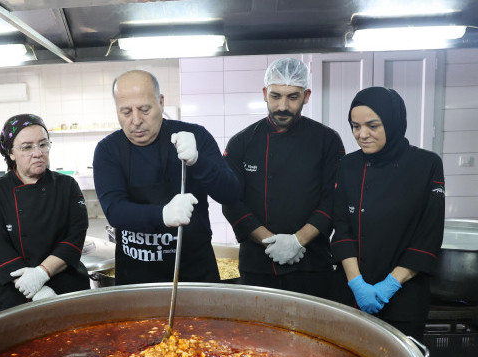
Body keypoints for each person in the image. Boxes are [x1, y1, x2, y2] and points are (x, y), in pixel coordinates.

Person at [93, 70, 241, 285]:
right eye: (126, 112)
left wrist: (199, 161)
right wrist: (162, 214)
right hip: (136, 279)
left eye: (145, 109)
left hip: (194, 273)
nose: (136, 120)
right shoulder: (108, 150)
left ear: (161, 102)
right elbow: (114, 211)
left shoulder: (195, 136)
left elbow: (231, 193)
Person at [222, 58, 344, 298]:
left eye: (293, 97)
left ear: (307, 95)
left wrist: (298, 241)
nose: (282, 106)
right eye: (275, 96)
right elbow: (231, 203)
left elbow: (333, 200)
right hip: (258, 265)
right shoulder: (241, 143)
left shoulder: (327, 140)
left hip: (312, 266)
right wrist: (271, 242)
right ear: (265, 93)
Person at [331, 87, 445, 340]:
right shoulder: (347, 166)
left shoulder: (427, 165)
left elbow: (429, 235)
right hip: (351, 295)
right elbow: (341, 228)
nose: (362, 134)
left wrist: (389, 286)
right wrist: (356, 284)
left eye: (373, 125)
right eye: (355, 126)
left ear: (393, 122)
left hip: (405, 297)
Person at [0, 113, 90, 314]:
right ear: (11, 153)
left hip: (64, 284)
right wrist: (34, 288)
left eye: (43, 144)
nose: (38, 153)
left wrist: (41, 273)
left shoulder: (67, 185)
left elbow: (75, 237)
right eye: (27, 147)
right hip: (13, 288)